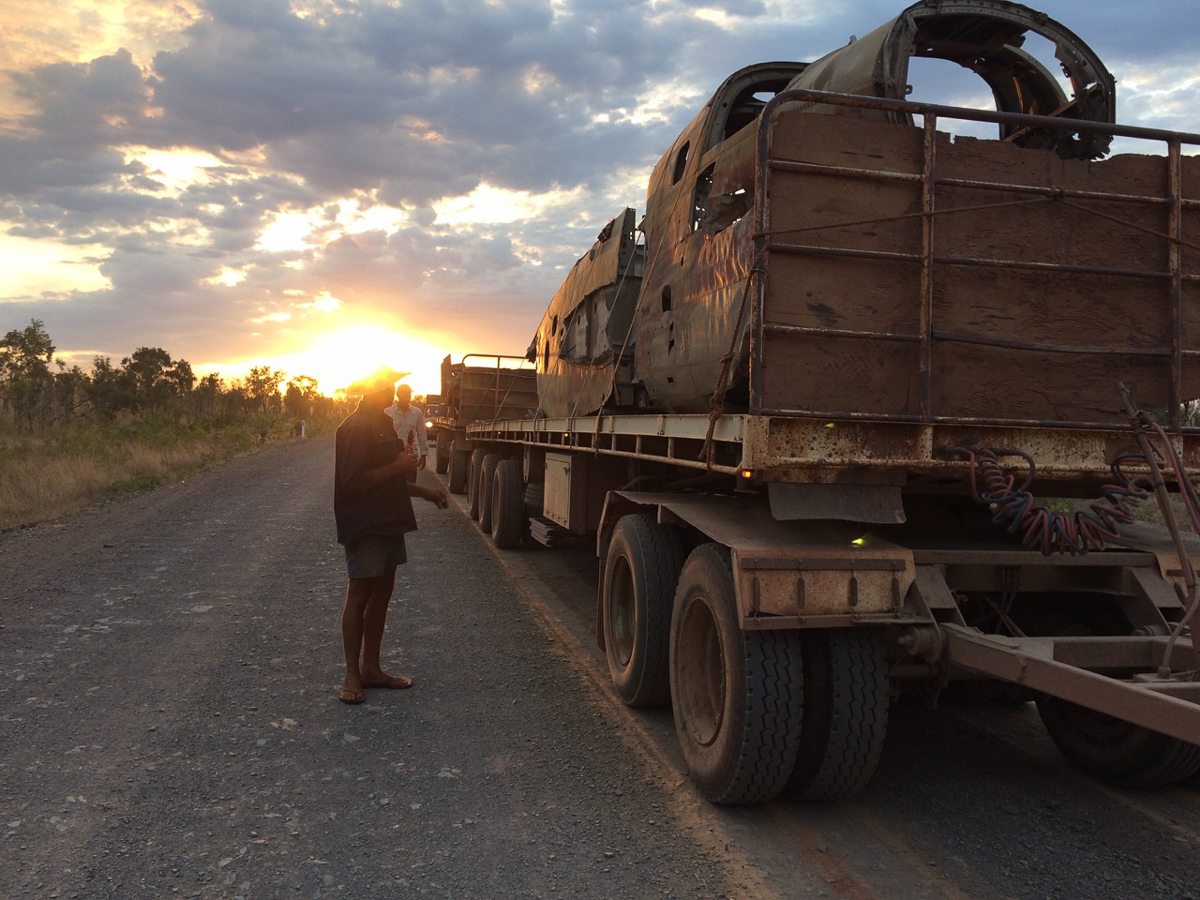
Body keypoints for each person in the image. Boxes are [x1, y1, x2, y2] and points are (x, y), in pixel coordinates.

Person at [334, 367, 449, 705]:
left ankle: (372, 669)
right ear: (373, 392)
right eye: (388, 389)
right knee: (359, 594)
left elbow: (390, 477)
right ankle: (352, 675)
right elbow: (353, 481)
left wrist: (425, 493)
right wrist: (398, 467)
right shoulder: (354, 427)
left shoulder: (383, 423)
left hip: (389, 521)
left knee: (383, 590)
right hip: (366, 524)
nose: (394, 393)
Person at [385, 383, 429, 483]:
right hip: (393, 456)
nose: (407, 397)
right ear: (398, 395)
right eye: (404, 394)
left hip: (410, 456)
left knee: (409, 488)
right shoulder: (388, 412)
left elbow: (422, 434)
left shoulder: (417, 413)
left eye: (409, 394)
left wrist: (423, 455)